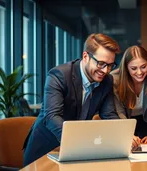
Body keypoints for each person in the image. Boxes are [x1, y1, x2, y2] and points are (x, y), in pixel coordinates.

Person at [23, 33, 122, 166]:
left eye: (110, 65)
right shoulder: (59, 75)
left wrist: (123, 137)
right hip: (46, 151)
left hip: (77, 154)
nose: (105, 70)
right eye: (101, 63)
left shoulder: (107, 81)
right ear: (86, 56)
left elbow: (109, 115)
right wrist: (77, 144)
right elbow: (52, 116)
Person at [111, 45, 147, 144]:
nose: (139, 72)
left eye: (143, 67)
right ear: (126, 68)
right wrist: (127, 133)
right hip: (126, 121)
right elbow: (119, 112)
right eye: (133, 68)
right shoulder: (115, 80)